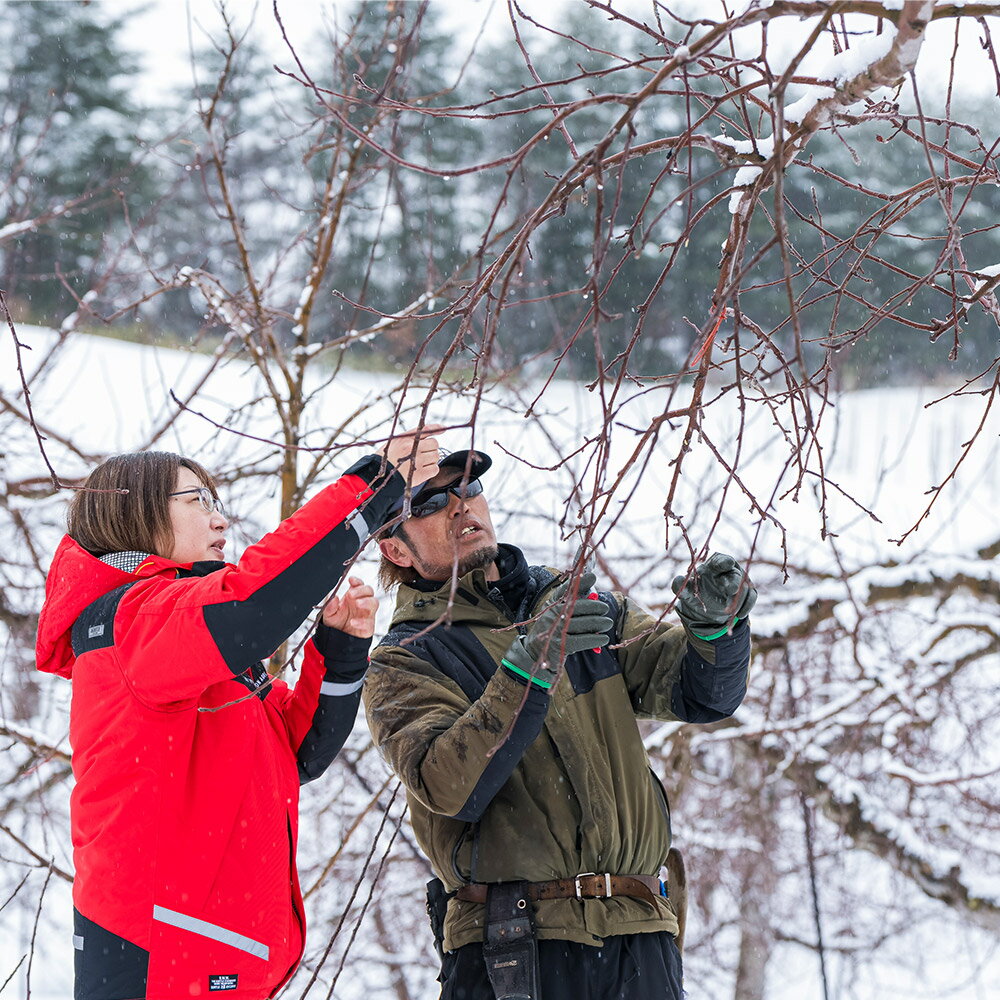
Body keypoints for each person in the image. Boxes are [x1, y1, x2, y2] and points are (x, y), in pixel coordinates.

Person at [35, 431, 440, 1000]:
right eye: (196, 501)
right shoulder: (134, 621)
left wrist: (338, 649)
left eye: (217, 501)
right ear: (135, 515)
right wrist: (374, 485)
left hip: (209, 960)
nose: (219, 519)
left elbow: (299, 750)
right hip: (165, 961)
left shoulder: (182, 642)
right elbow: (253, 602)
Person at [363, 448, 756, 1000]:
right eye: (430, 501)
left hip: (640, 936)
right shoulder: (404, 662)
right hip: (514, 947)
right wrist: (528, 669)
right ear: (392, 547)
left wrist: (719, 629)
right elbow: (450, 786)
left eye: (468, 487)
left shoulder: (574, 602)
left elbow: (701, 694)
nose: (460, 506)